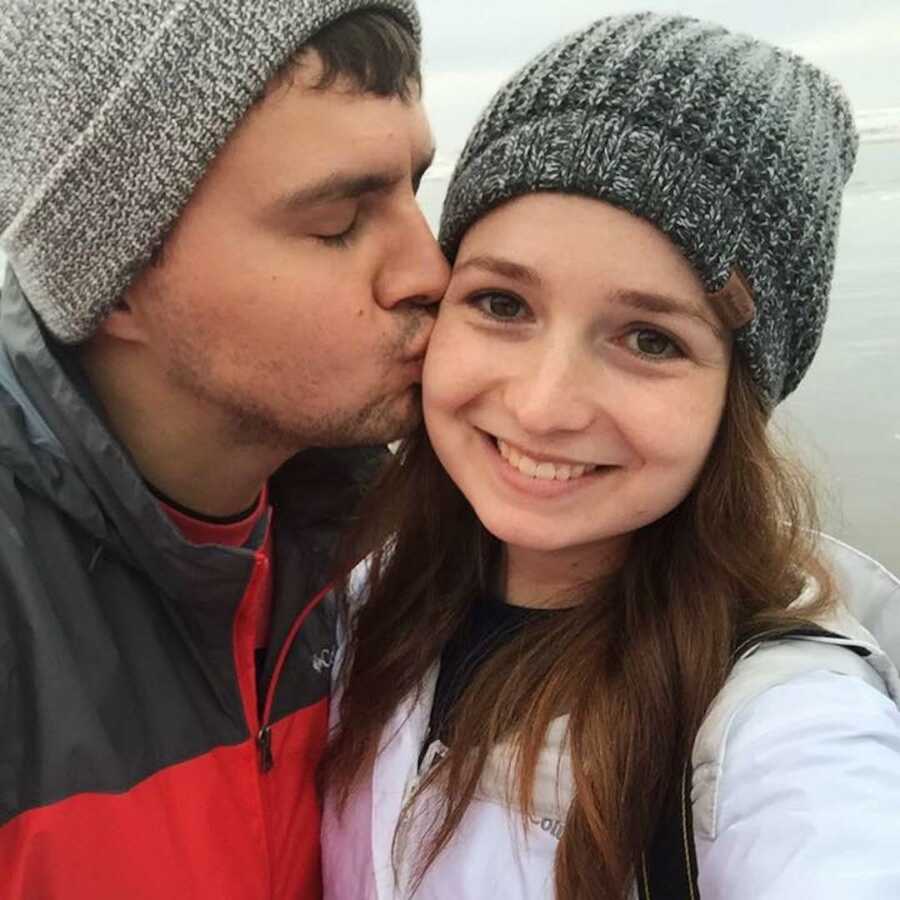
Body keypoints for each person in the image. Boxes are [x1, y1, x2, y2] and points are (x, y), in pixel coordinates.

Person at [321, 13, 900, 900]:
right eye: (503, 303)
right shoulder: (346, 595)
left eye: (649, 339)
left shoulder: (773, 719)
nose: (543, 405)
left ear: (737, 400)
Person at [0, 1, 448, 897]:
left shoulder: (399, 540)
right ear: (117, 282)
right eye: (336, 225)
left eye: (414, 192)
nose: (429, 271)